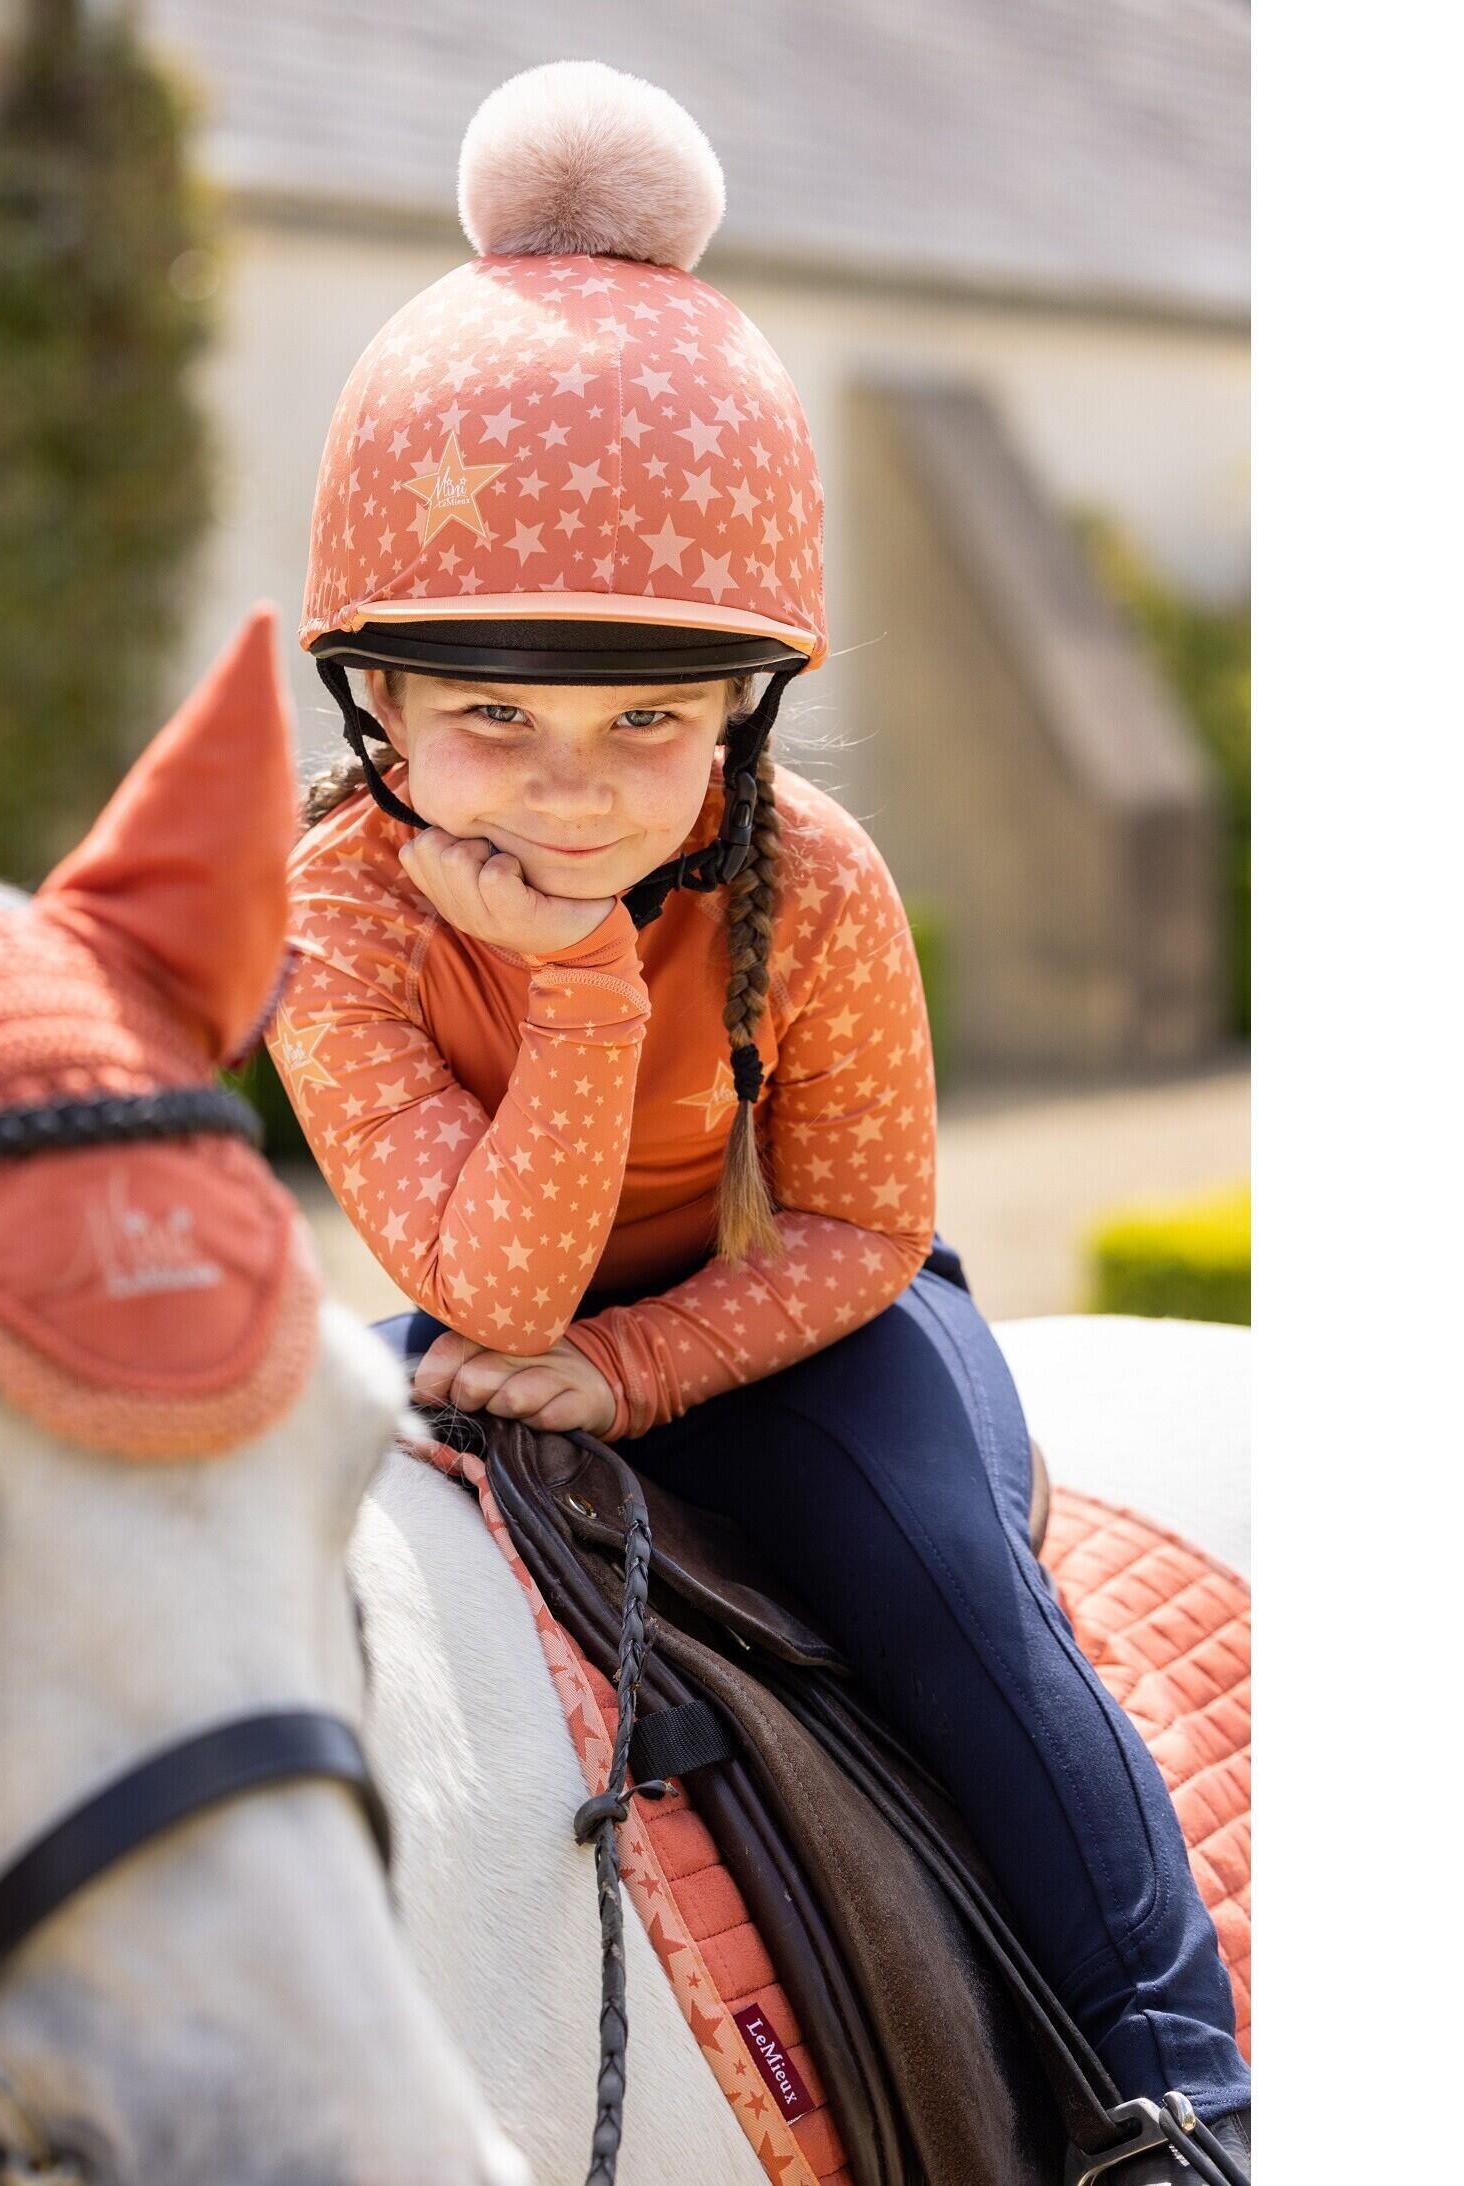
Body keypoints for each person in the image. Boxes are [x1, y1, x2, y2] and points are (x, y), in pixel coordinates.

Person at [267, 60, 1250, 2180]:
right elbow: (483, 1276)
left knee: (957, 1612)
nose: (568, 785)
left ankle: (1182, 2088)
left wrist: (618, 1334)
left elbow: (862, 1227)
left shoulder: (809, 878)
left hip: (792, 1324)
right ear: (381, 710)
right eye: (493, 719)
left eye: (649, 720)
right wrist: (571, 986)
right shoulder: (332, 915)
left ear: (745, 706)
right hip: (475, 1320)